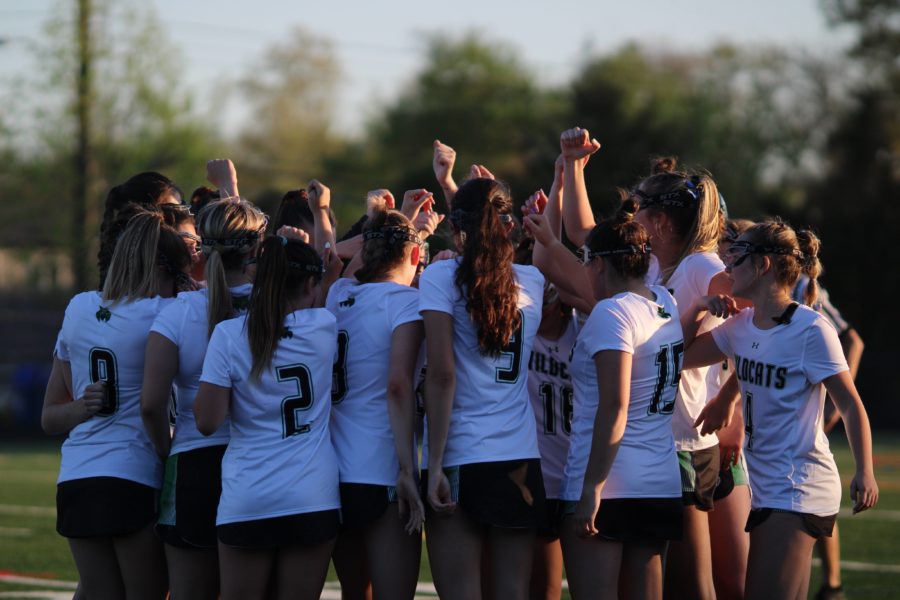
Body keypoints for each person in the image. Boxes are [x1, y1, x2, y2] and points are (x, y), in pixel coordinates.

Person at [553, 127, 746, 599]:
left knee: (699, 583)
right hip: (658, 442)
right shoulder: (653, 274)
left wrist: (729, 398)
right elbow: (585, 236)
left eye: (637, 206)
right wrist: (574, 167)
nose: (629, 212)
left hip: (681, 438)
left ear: (659, 221)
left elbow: (757, 322)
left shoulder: (699, 265)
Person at [685, 219, 878, 600]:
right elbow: (678, 360)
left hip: (798, 486)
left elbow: (852, 406)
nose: (727, 267)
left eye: (737, 257)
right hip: (769, 487)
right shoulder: (742, 325)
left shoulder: (811, 330)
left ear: (763, 266)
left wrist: (865, 471)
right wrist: (696, 308)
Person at [526, 204, 684, 600]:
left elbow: (615, 406)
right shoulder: (665, 301)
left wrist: (592, 489)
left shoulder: (611, 313)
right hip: (659, 480)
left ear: (596, 264)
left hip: (610, 484)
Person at [42, 208, 192, 600]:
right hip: (132, 474)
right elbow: (150, 407)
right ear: (166, 269)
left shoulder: (78, 307)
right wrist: (166, 451)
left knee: (98, 592)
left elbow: (50, 417)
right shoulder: (165, 312)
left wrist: (82, 409)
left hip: (76, 477)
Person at [194, 233, 339, 600]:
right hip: (312, 496)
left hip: (249, 495)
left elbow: (207, 421)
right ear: (310, 284)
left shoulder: (229, 334)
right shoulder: (324, 326)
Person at [420, 177, 546, 600]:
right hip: (519, 456)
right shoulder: (534, 281)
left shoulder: (440, 276)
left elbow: (441, 375)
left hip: (462, 452)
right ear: (508, 225)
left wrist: (433, 463)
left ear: (457, 227)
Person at [141, 197, 267, 600]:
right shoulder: (278, 307)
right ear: (254, 249)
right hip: (261, 463)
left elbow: (151, 403)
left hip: (194, 459)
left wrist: (167, 449)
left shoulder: (177, 313)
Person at [326, 208, 427, 600]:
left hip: (332, 471)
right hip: (382, 468)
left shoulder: (338, 293)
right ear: (415, 257)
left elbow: (342, 263)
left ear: (365, 253)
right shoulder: (407, 302)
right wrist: (407, 469)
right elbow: (399, 385)